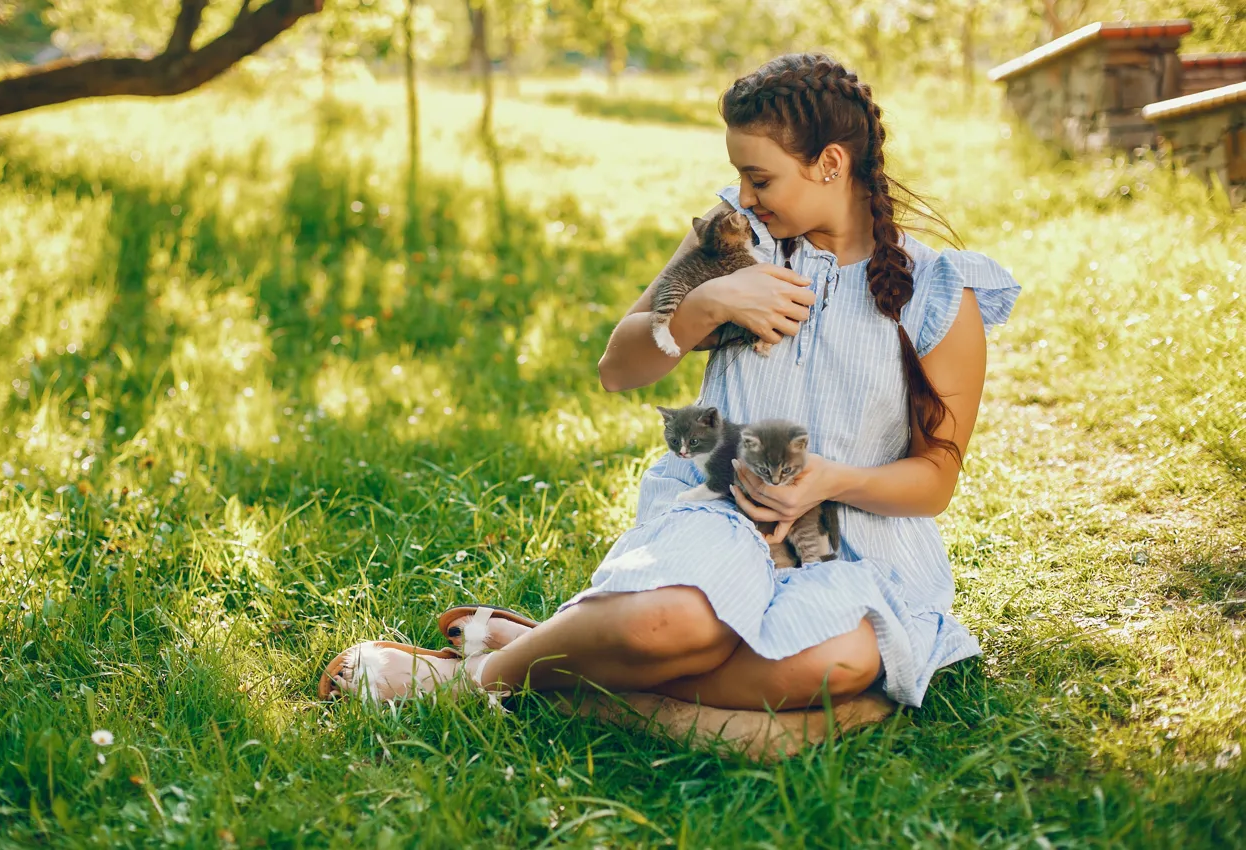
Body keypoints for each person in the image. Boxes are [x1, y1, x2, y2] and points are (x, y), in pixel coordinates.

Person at [319, 52, 1020, 715]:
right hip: (720, 511)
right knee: (673, 623)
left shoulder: (936, 293)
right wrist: (706, 307)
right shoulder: (732, 237)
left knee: (826, 666)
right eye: (741, 177)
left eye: (762, 178)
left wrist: (826, 481)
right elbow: (618, 367)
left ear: (831, 164)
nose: (745, 195)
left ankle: (560, 663)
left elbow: (935, 479)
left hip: (860, 547)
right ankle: (467, 681)